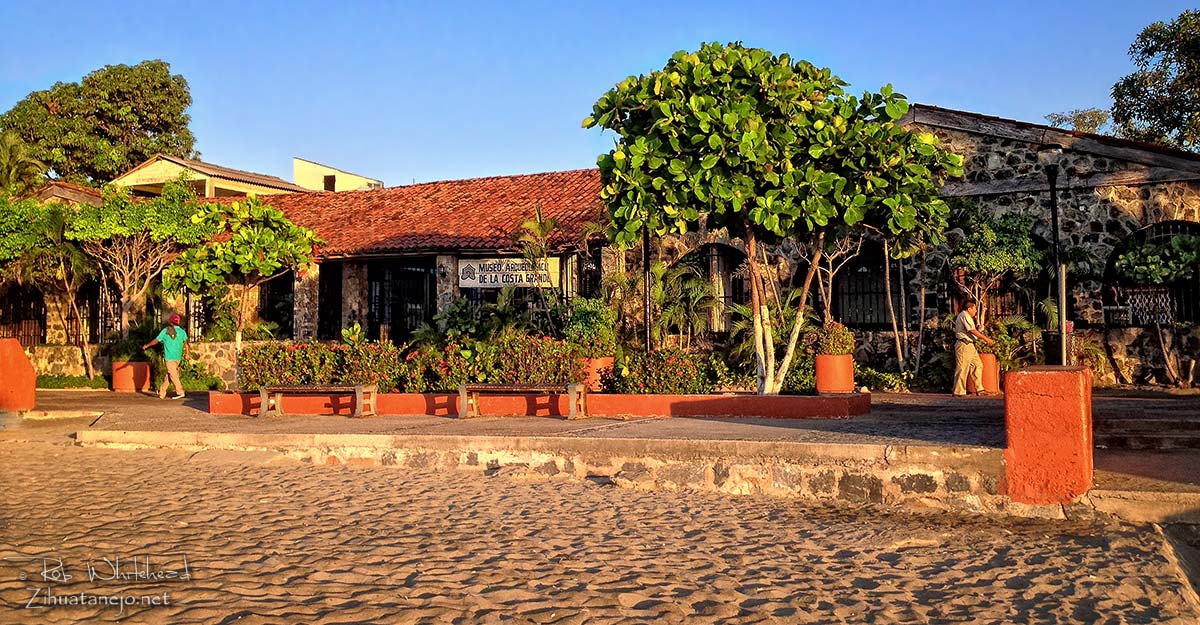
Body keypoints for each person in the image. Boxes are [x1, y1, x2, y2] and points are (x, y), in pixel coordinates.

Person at [952, 299, 996, 397]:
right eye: (975, 308)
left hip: (970, 345)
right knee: (962, 368)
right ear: (969, 308)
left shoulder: (967, 316)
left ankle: (979, 389)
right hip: (964, 345)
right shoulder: (964, 315)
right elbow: (971, 330)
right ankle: (958, 391)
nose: (976, 311)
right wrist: (986, 339)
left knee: (977, 365)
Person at [143, 313, 188, 399]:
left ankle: (180, 391)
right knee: (170, 375)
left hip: (169, 357)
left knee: (173, 375)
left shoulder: (166, 331)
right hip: (178, 357)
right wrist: (187, 354)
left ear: (171, 322)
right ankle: (162, 392)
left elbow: (156, 340)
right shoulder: (182, 332)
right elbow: (186, 344)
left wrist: (147, 345)